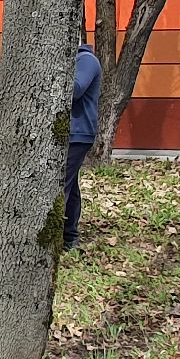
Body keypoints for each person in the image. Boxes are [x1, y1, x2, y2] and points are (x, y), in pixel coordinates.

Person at [64, 42, 101, 251]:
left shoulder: (86, 60)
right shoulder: (77, 60)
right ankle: (69, 236)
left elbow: (76, 89)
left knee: (61, 185)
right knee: (71, 185)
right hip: (69, 132)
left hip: (78, 133)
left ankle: (60, 237)